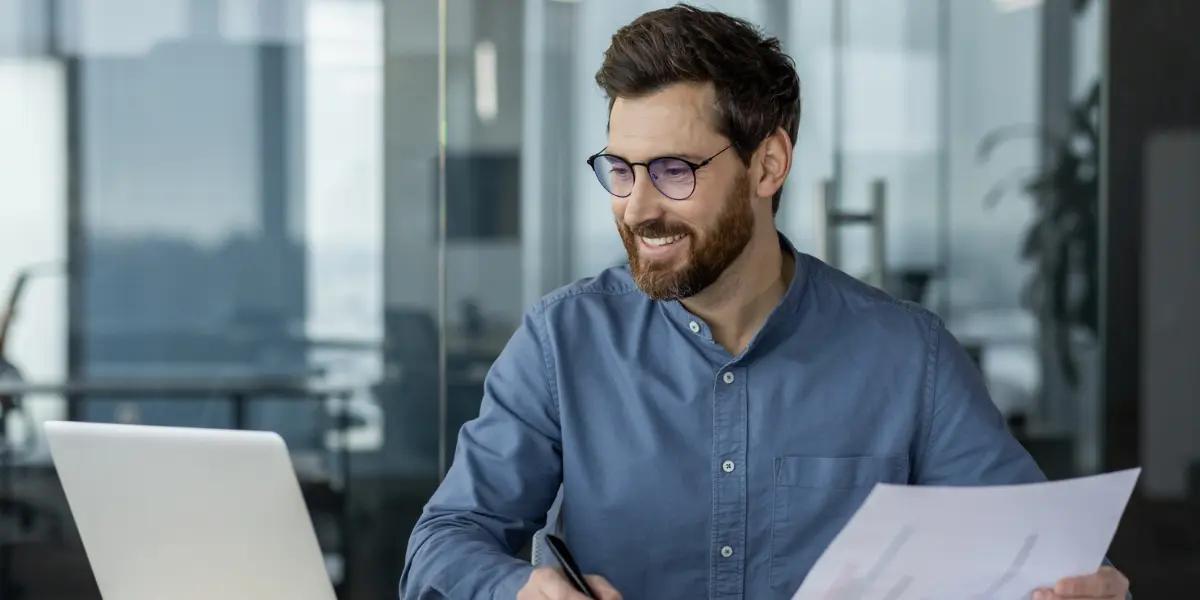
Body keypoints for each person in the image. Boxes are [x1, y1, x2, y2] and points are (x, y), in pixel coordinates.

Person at [400, 5, 1130, 599]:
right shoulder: (563, 342)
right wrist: (521, 591)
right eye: (621, 169)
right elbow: (440, 545)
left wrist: (1086, 591)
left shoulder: (909, 358)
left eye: (674, 170)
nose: (637, 206)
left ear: (768, 164)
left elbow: (1037, 558)